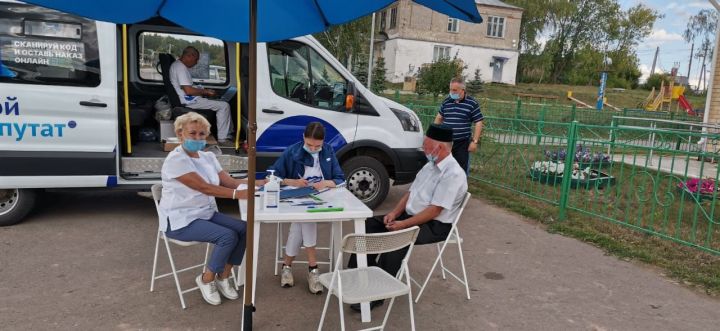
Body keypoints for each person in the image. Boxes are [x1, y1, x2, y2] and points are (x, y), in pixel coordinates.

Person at [347, 123, 467, 311]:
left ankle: (377, 293)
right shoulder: (430, 166)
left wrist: (403, 224)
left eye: (426, 146)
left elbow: (435, 210)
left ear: (440, 148)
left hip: (434, 225)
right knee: (369, 225)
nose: (423, 150)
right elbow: (410, 193)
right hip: (410, 216)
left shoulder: (453, 174)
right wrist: (394, 213)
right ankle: (358, 276)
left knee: (395, 239)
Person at [159, 112, 265, 306]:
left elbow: (231, 182)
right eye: (193, 133)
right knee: (227, 236)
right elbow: (203, 187)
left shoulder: (208, 156)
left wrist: (260, 183)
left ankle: (224, 276)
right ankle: (206, 279)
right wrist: (237, 195)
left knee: (245, 228)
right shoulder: (176, 160)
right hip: (180, 220)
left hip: (204, 214)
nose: (198, 138)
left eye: (202, 134)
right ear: (180, 133)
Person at [269, 122, 345, 294]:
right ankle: (313, 268)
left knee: (301, 223)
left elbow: (341, 178)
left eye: (317, 145)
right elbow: (272, 176)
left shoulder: (328, 151)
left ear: (323, 142)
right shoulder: (292, 151)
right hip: (295, 198)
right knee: (306, 218)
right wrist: (292, 181)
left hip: (321, 197)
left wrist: (326, 182)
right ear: (303, 137)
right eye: (309, 144)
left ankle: (287, 266)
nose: (313, 148)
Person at [169, 46, 234, 146]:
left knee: (222, 104)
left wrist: (202, 91)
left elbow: (187, 87)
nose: (196, 62)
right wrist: (206, 92)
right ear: (189, 56)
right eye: (196, 59)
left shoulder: (177, 65)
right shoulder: (180, 68)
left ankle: (229, 134)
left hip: (188, 98)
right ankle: (223, 139)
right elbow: (189, 91)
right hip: (188, 101)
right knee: (224, 106)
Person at [434, 77, 484, 173]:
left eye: (454, 90)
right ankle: (444, 187)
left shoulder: (472, 103)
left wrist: (475, 141)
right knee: (442, 168)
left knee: (460, 170)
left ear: (463, 90)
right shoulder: (446, 101)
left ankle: (460, 188)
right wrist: (434, 136)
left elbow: (478, 122)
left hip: (462, 144)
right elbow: (439, 118)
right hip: (445, 142)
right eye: (450, 89)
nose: (451, 92)